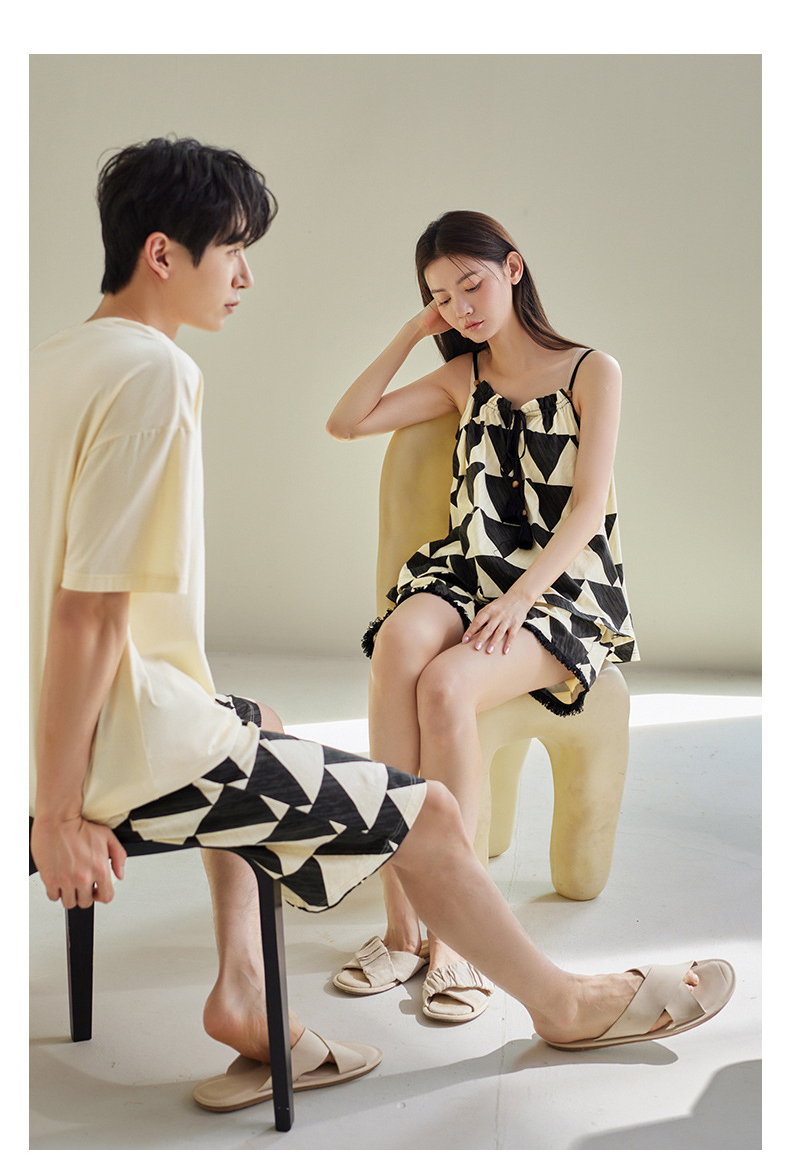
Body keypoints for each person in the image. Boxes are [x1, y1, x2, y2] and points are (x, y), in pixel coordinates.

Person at [30, 143, 733, 1116]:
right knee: (430, 811)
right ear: (161, 252)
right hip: (129, 744)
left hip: (62, 716)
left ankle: (244, 994)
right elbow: (89, 609)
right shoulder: (156, 373)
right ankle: (564, 1003)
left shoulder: (49, 361)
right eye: (232, 249)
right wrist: (59, 812)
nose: (245, 275)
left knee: (261, 716)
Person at [326, 211, 639, 1022]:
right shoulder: (462, 377)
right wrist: (411, 332)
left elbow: (586, 511)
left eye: (471, 284)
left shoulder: (591, 370)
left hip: (561, 589)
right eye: (441, 296)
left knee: (446, 686)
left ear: (514, 269)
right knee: (398, 646)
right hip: (468, 573)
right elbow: (346, 421)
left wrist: (521, 596)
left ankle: (455, 941)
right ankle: (403, 927)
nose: (460, 307)